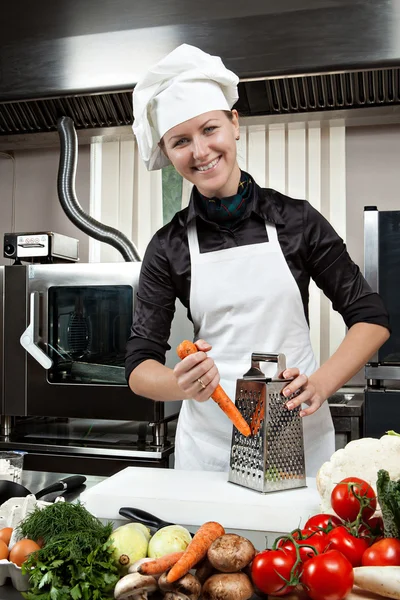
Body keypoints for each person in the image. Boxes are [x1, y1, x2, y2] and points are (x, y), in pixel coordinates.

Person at [125, 44, 390, 476]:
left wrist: (321, 383)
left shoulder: (296, 221)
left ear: (234, 124)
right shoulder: (167, 245)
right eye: (180, 141)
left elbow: (371, 318)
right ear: (168, 153)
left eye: (209, 128)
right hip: (208, 453)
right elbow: (139, 367)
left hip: (296, 441)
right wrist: (180, 383)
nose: (200, 151)